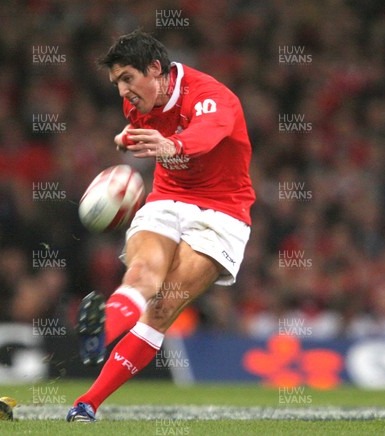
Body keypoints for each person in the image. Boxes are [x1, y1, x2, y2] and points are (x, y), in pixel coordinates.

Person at [67, 29, 256, 422]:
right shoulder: (138, 103)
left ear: (155, 69)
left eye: (127, 79)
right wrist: (127, 138)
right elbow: (143, 132)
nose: (122, 92)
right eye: (117, 83)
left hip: (221, 213)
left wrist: (175, 145)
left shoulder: (212, 96)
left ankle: (87, 401)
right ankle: (99, 339)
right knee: (142, 276)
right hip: (167, 200)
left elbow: (207, 134)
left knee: (162, 307)